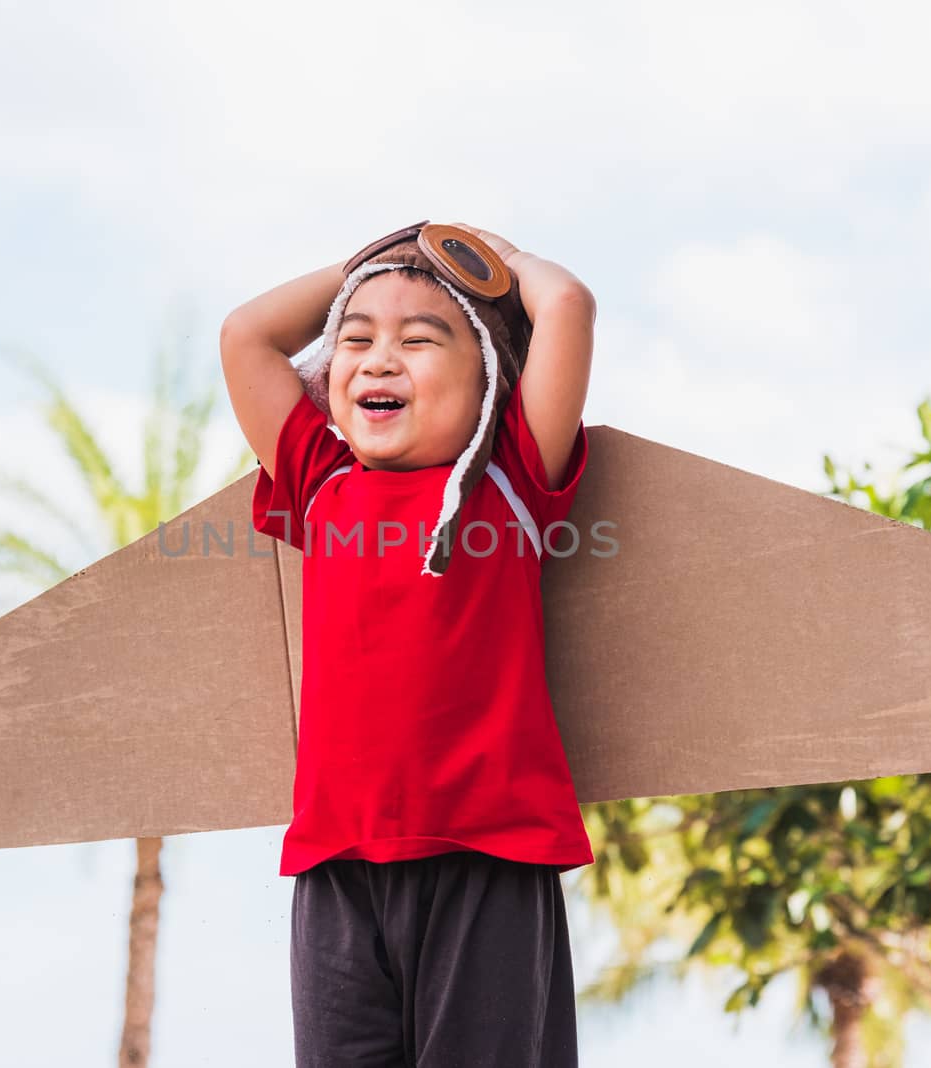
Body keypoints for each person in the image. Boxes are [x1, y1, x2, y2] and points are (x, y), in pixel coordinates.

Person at [220, 220, 597, 1067]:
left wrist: (487, 254)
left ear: (490, 381)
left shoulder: (509, 479)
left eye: (420, 340)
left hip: (487, 859)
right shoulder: (320, 484)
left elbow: (567, 303)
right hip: (334, 868)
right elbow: (248, 336)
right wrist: (371, 263)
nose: (379, 359)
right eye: (355, 340)